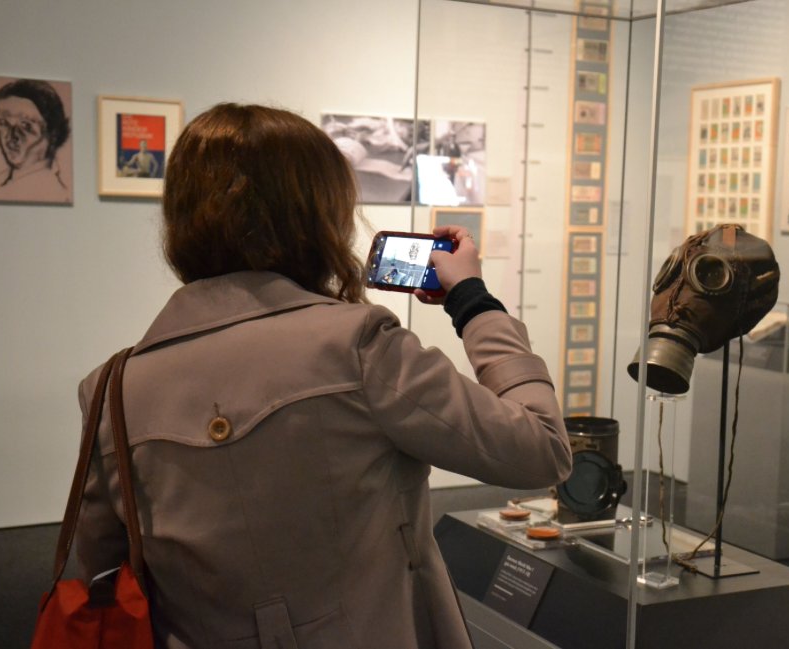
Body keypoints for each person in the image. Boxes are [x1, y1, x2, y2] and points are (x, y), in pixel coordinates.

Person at [74, 103, 571, 649]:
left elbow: (98, 572)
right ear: (317, 215)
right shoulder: (356, 345)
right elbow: (540, 450)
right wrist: (473, 303)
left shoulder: (111, 390)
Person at [0, 78, 70, 201]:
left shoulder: (53, 191)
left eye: (26, 126)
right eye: (3, 123)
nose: (11, 136)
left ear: (52, 134)